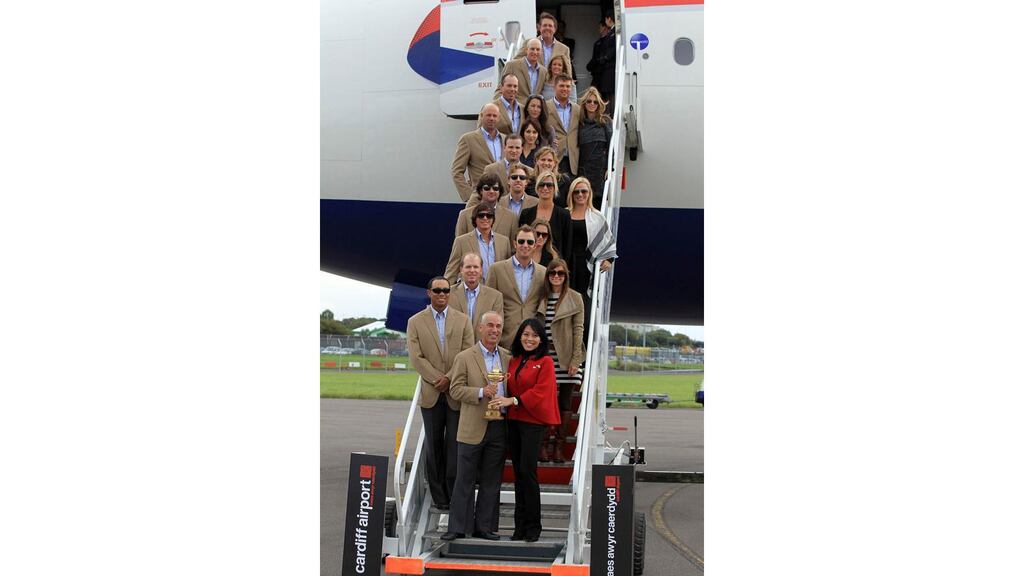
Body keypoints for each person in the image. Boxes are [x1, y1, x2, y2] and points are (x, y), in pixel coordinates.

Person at [488, 318, 560, 542]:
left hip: (532, 423)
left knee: (528, 474)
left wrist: (514, 400)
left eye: (535, 335)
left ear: (541, 339)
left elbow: (542, 391)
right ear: (520, 336)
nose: (530, 339)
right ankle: (519, 528)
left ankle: (533, 527)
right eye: (526, 334)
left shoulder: (546, 361)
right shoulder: (514, 360)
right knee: (519, 475)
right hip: (514, 422)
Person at [406, 277, 475, 511]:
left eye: (446, 290)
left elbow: (468, 353)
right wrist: (438, 378)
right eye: (437, 290)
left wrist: (450, 378)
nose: (442, 294)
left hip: (454, 392)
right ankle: (439, 496)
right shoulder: (415, 322)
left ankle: (453, 492)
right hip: (432, 392)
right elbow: (416, 357)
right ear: (429, 293)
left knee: (454, 446)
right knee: (433, 447)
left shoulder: (463, 321)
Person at [442, 311, 511, 541]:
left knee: (492, 481)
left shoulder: (507, 357)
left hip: (499, 425)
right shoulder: (464, 357)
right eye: (490, 325)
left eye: (498, 326)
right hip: (472, 426)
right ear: (480, 328)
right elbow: (455, 389)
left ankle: (485, 527)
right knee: (464, 480)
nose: (494, 330)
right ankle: (457, 527)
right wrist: (481, 392)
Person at [531, 259, 584, 463]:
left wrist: (575, 360)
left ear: (566, 276)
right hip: (546, 357)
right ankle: (544, 445)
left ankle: (559, 446)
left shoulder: (575, 298)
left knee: (564, 403)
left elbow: (579, 330)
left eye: (561, 274)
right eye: (553, 273)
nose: (556, 277)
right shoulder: (541, 298)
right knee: (546, 402)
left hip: (567, 356)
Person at [567, 177, 616, 337]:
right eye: (576, 191)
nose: (580, 194)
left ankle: (583, 348)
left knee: (584, 309)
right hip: (565, 264)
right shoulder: (564, 214)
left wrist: (608, 260)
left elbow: (608, 242)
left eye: (584, 191)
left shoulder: (597, 217)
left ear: (589, 193)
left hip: (586, 266)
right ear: (571, 194)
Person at [485, 226, 548, 349]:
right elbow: (488, 304)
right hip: (503, 339)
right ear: (514, 243)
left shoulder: (543, 272)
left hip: (531, 341)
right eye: (521, 241)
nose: (525, 245)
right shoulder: (496, 269)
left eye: (530, 242)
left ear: (535, 245)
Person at [445, 203, 511, 285]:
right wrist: (445, 290)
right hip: (471, 290)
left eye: (489, 215)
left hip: (497, 291)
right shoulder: (461, 241)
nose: (485, 218)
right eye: (481, 215)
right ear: (475, 219)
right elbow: (452, 270)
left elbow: (509, 271)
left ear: (493, 219)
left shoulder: (504, 241)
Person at [451, 102, 503, 202]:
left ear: (499, 118)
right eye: (488, 115)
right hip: (480, 199)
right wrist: (469, 196)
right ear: (481, 116)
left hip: (503, 199)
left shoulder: (505, 140)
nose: (491, 118)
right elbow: (456, 171)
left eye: (494, 115)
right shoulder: (468, 139)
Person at [518, 170, 573, 263]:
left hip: (554, 270)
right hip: (529, 265)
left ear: (555, 188)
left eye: (549, 185)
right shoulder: (526, 214)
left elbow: (567, 248)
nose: (545, 188)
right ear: (537, 188)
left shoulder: (564, 215)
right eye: (541, 184)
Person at [449, 253, 504, 342]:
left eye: (475, 267)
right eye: (468, 267)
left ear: (481, 270)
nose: (472, 270)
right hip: (455, 350)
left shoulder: (495, 297)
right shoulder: (449, 294)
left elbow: (497, 329)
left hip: (482, 350)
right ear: (461, 270)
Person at [576, 87, 613, 210]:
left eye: (595, 102)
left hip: (599, 170)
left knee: (598, 204)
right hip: (583, 168)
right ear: (584, 103)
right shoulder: (579, 123)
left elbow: (611, 146)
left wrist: (610, 167)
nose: (592, 104)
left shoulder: (605, 122)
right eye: (589, 101)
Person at [454, 174, 517, 245]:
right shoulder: (465, 215)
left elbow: (513, 248)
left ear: (500, 192)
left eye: (495, 188)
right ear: (480, 191)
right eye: (487, 188)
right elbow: (459, 246)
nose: (491, 191)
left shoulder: (511, 217)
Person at [545, 75, 581, 193]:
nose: (565, 89)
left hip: (573, 160)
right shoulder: (546, 106)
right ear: (554, 87)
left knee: (570, 194)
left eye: (568, 86)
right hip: (554, 158)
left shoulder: (577, 109)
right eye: (561, 86)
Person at [514, 12, 573, 77]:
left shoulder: (564, 49)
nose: (547, 28)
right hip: (534, 84)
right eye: (545, 25)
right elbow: (517, 61)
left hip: (553, 85)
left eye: (550, 26)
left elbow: (568, 72)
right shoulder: (529, 43)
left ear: (555, 29)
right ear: (539, 28)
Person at [500, 38, 547, 105]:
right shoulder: (512, 65)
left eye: (538, 49)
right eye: (532, 49)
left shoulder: (544, 71)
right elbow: (500, 89)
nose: (535, 52)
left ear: (541, 52)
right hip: (515, 109)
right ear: (526, 50)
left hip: (534, 112)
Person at [586, 12, 616, 109]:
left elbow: (610, 51)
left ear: (608, 20)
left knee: (606, 99)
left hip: (606, 72)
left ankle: (606, 119)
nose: (599, 29)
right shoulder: (602, 40)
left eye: (600, 27)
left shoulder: (614, 34)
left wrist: (603, 59)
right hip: (600, 73)